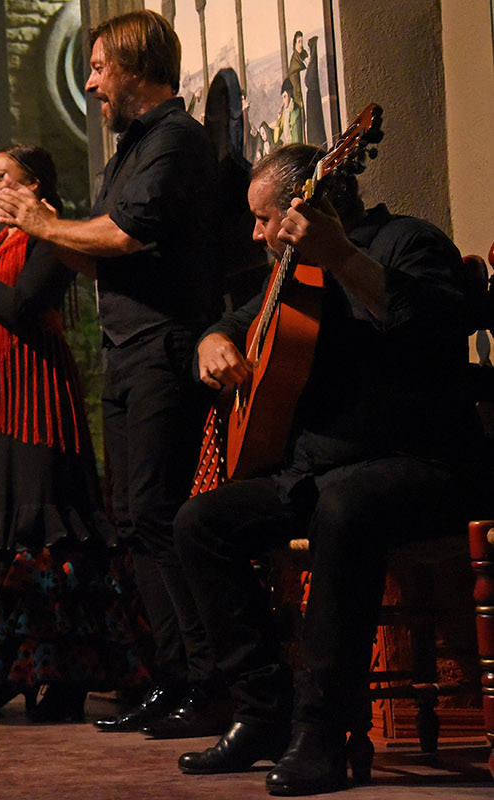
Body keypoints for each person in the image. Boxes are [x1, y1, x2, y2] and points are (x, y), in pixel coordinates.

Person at [174, 143, 489, 795]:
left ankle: (323, 732)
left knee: (343, 508)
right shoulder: (288, 272)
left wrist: (341, 255)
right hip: (320, 470)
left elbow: (433, 326)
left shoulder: (409, 242)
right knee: (201, 522)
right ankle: (263, 712)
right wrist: (214, 342)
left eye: (264, 219)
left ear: (305, 208)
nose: (256, 233)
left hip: (424, 460)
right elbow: (234, 323)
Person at [0, 9, 227, 738]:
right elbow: (101, 252)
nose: (89, 84)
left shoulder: (175, 140)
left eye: (99, 68)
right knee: (133, 523)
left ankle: (201, 684)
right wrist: (33, 223)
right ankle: (170, 678)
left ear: (138, 68)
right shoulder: (126, 154)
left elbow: (124, 233)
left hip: (164, 351)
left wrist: (44, 223)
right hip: (126, 352)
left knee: (156, 516)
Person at [0, 143, 148, 721]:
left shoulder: (51, 239)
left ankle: (66, 678)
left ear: (35, 187)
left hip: (35, 407)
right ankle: (5, 674)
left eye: (5, 176)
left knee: (47, 535)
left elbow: (21, 309)